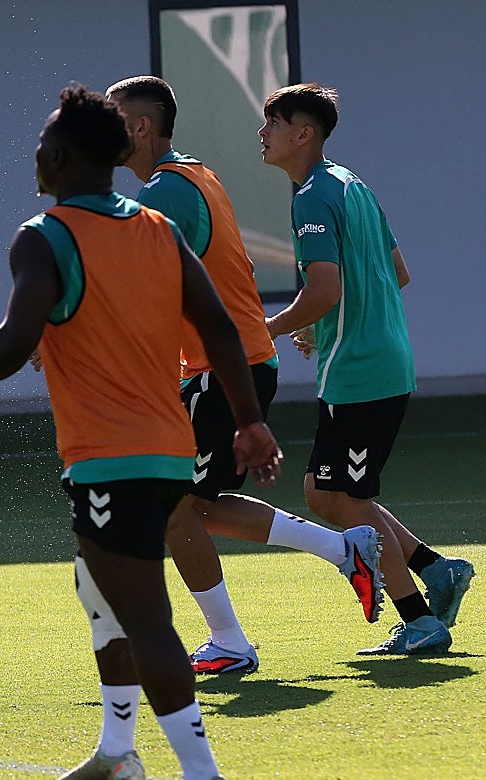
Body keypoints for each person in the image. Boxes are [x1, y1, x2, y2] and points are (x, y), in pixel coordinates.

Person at [0, 84, 283, 780]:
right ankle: (118, 754)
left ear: (60, 156)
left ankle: (200, 776)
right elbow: (220, 327)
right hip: (167, 449)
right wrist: (250, 421)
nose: (36, 149)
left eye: (42, 138)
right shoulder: (158, 227)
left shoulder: (45, 233)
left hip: (112, 459)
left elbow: (18, 335)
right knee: (99, 595)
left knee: (145, 618)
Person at [101, 75, 386, 675]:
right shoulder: (191, 176)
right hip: (226, 368)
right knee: (192, 507)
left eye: (109, 119)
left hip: (226, 371)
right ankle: (344, 550)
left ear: (140, 128)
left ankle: (230, 642)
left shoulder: (169, 190)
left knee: (170, 506)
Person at [259, 83, 474, 655]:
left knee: (345, 499)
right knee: (322, 491)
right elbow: (396, 271)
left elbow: (324, 289)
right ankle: (435, 568)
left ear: (303, 134)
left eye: (272, 123)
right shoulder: (352, 185)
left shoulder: (311, 198)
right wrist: (319, 323)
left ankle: (420, 620)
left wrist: (272, 328)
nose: (263, 133)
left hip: (361, 371)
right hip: (375, 360)